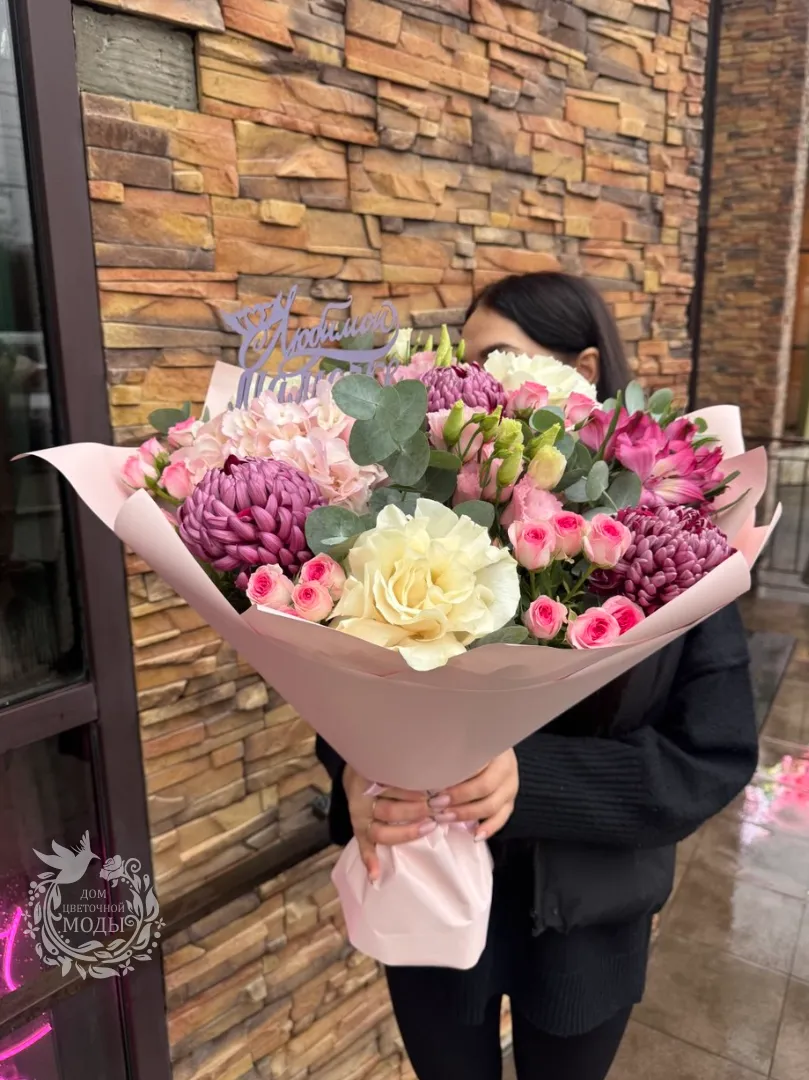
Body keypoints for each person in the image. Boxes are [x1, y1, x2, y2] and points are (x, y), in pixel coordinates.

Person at [316, 271, 758, 1080]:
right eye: (463, 364)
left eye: (493, 358)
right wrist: (353, 774)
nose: (473, 387)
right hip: (431, 909)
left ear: (580, 370)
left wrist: (532, 780)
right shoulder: (418, 517)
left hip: (586, 930)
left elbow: (712, 756)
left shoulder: (677, 548)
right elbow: (355, 683)